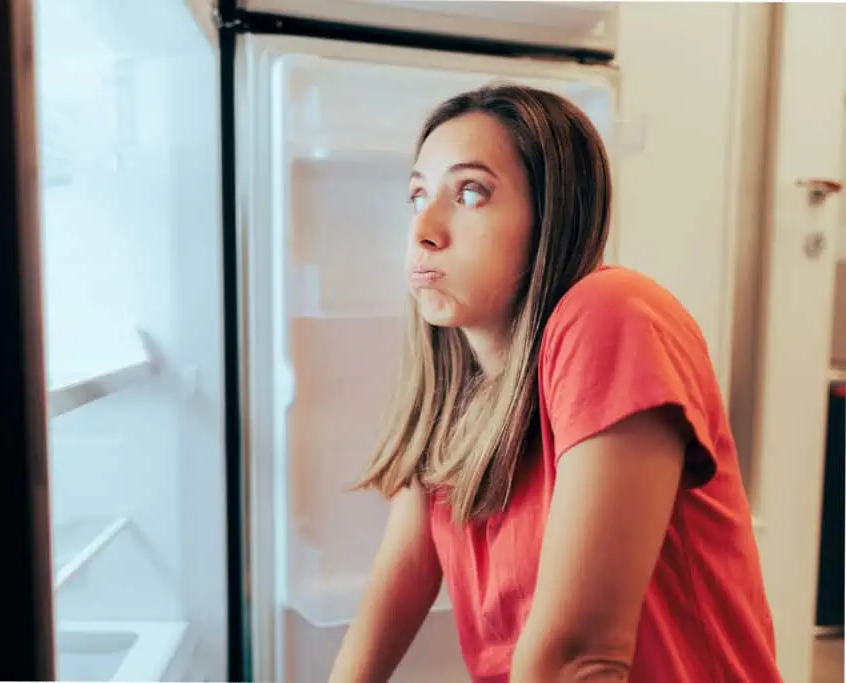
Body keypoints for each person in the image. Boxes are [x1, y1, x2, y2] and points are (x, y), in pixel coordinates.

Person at [328, 84, 781, 683]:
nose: (424, 230)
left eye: (470, 193)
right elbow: (404, 572)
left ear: (551, 217)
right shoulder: (456, 393)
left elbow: (580, 657)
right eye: (417, 196)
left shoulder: (612, 314)